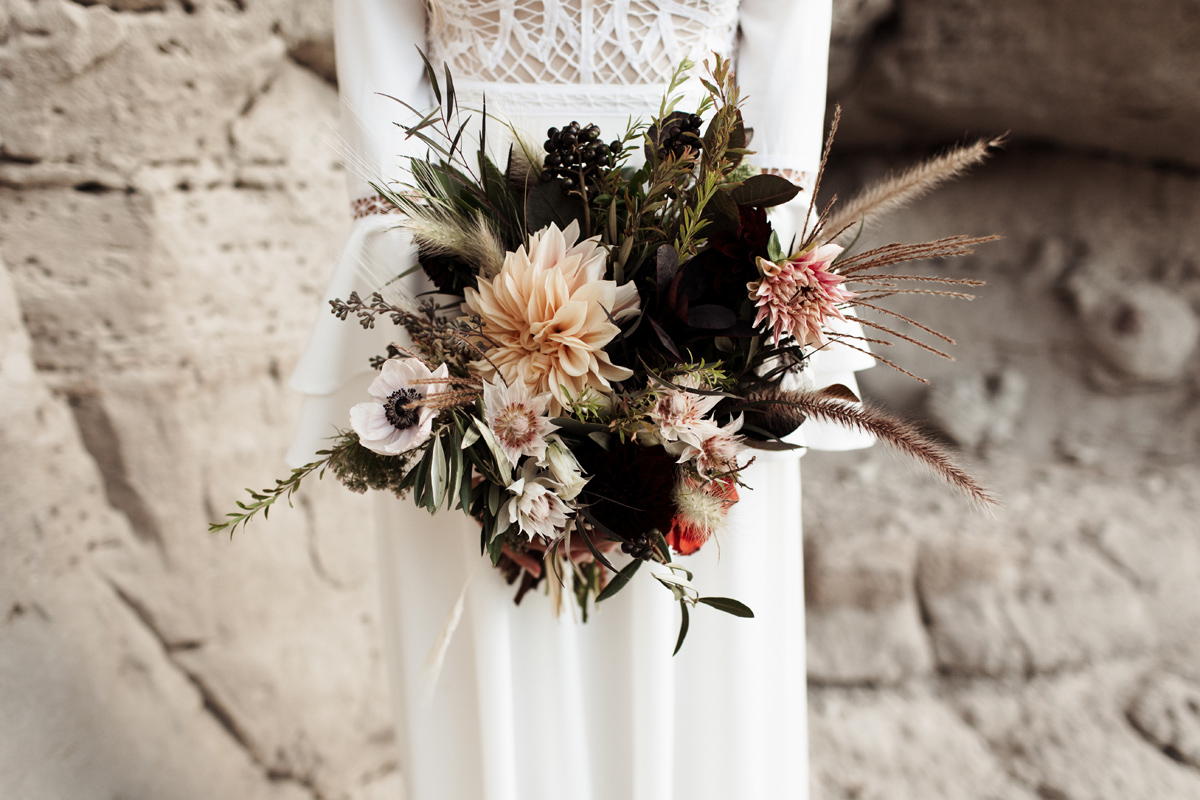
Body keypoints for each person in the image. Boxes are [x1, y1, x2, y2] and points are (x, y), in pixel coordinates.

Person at [287, 1, 874, 797]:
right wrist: (474, 414)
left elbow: (778, 138)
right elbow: (389, 149)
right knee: (499, 684)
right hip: (455, 310)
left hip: (705, 306)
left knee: (695, 697)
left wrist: (694, 405)